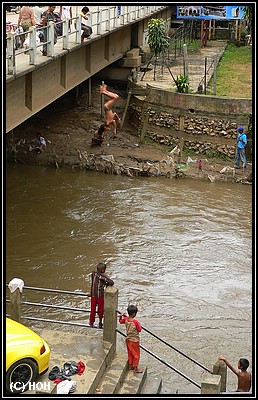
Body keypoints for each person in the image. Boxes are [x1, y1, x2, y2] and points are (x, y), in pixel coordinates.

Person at [89, 262, 114, 329]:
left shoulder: (93, 274)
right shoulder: (102, 276)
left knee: (92, 310)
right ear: (103, 270)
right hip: (100, 296)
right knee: (100, 310)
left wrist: (90, 293)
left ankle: (91, 323)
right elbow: (111, 282)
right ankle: (100, 322)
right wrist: (106, 279)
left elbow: (92, 284)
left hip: (93, 295)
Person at [119, 305, 143, 373]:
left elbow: (120, 321)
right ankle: (135, 367)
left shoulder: (126, 319)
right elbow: (139, 329)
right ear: (134, 314)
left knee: (130, 352)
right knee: (136, 354)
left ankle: (130, 365)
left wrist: (121, 315)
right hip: (135, 340)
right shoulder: (135, 322)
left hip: (128, 339)